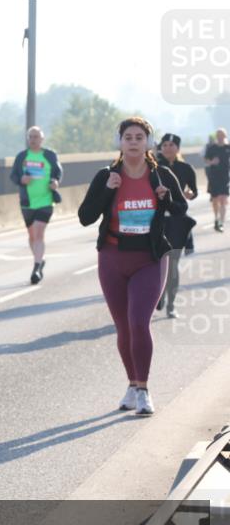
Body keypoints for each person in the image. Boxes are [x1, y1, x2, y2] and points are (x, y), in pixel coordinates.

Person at [78, 117, 187, 416]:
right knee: (123, 327)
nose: (134, 142)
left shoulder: (161, 175)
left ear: (148, 143)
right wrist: (107, 191)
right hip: (112, 258)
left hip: (149, 259)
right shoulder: (107, 176)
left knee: (139, 322)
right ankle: (131, 383)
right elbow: (85, 217)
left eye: (140, 137)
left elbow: (181, 209)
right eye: (128, 137)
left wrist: (167, 198)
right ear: (120, 142)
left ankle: (143, 390)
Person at [10, 126, 62, 284]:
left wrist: (55, 182)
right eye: (31, 137)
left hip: (46, 200)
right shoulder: (22, 156)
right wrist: (21, 180)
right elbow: (13, 176)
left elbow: (58, 172)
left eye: (36, 137)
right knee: (32, 236)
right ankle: (39, 259)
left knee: (39, 233)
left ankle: (36, 268)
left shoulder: (49, 155)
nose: (33, 140)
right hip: (27, 202)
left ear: (42, 139)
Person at [155, 133, 198, 318]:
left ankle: (171, 305)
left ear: (178, 148)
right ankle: (158, 295)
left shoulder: (186, 168)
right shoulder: (152, 167)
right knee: (156, 263)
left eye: (171, 145)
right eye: (164, 144)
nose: (167, 148)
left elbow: (194, 191)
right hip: (157, 221)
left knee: (172, 264)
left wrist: (189, 194)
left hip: (177, 221)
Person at [203, 128, 229, 232]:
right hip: (214, 177)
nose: (220, 137)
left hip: (225, 177)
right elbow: (205, 159)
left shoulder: (228, 147)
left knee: (223, 199)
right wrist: (211, 162)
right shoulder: (212, 148)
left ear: (225, 136)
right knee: (215, 199)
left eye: (222, 135)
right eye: (218, 135)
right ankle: (216, 218)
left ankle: (221, 222)